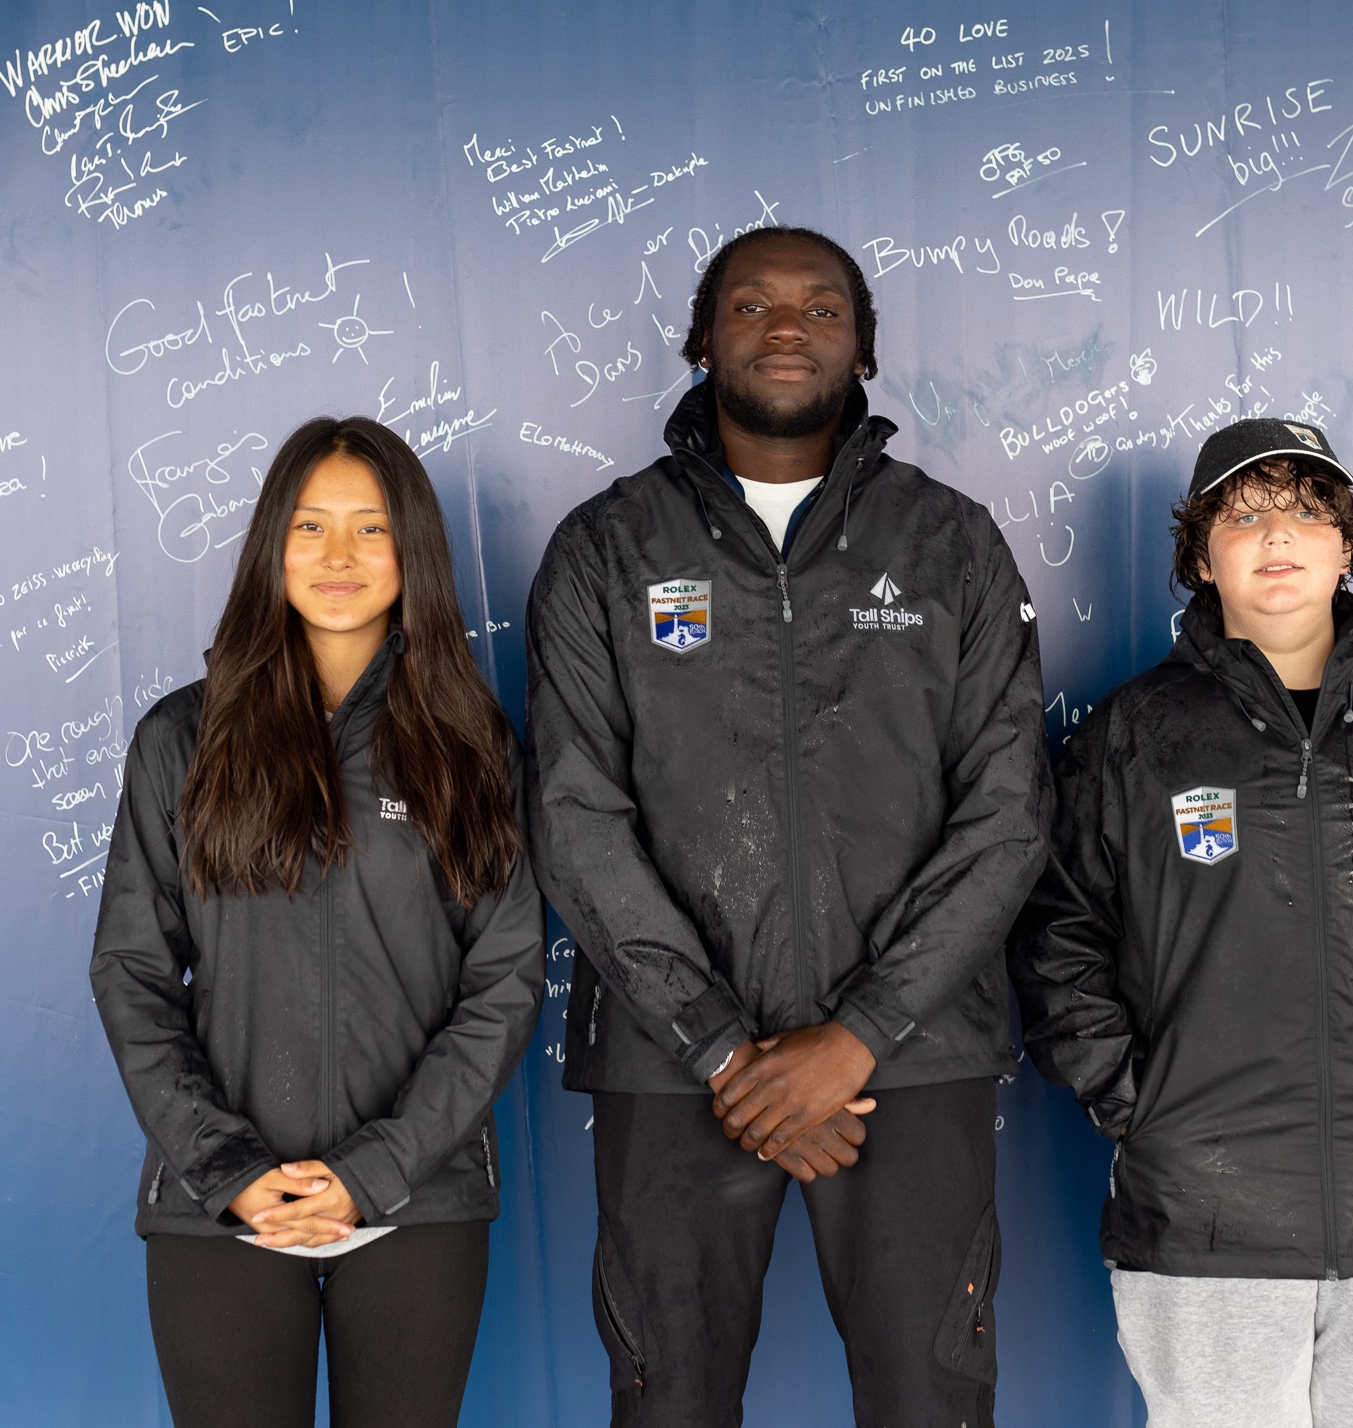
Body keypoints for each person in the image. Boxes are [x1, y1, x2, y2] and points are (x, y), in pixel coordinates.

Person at [526, 226, 1049, 1428]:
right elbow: (572, 814)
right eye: (751, 304)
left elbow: (1009, 812)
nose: (784, 327)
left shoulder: (951, 543)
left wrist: (857, 1034)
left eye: (820, 308)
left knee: (933, 1401)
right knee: (671, 1404)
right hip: (674, 1067)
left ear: (861, 345)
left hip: (905, 1066)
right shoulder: (606, 549)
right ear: (700, 337)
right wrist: (721, 1048)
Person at [1010, 418, 1353, 1428]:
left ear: (1344, 546)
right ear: (1199, 555)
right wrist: (1134, 1096)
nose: (1279, 535)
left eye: (1309, 512)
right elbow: (1057, 928)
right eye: (1246, 513)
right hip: (1205, 1203)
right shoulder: (1133, 735)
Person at [90, 416, 543, 1428]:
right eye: (309, 526)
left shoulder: (471, 744)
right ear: (271, 547)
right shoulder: (182, 738)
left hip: (416, 1199)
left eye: (370, 528)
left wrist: (376, 1168)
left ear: (411, 551)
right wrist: (233, 1170)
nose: (338, 556)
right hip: (223, 1207)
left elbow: (505, 977)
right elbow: (131, 970)